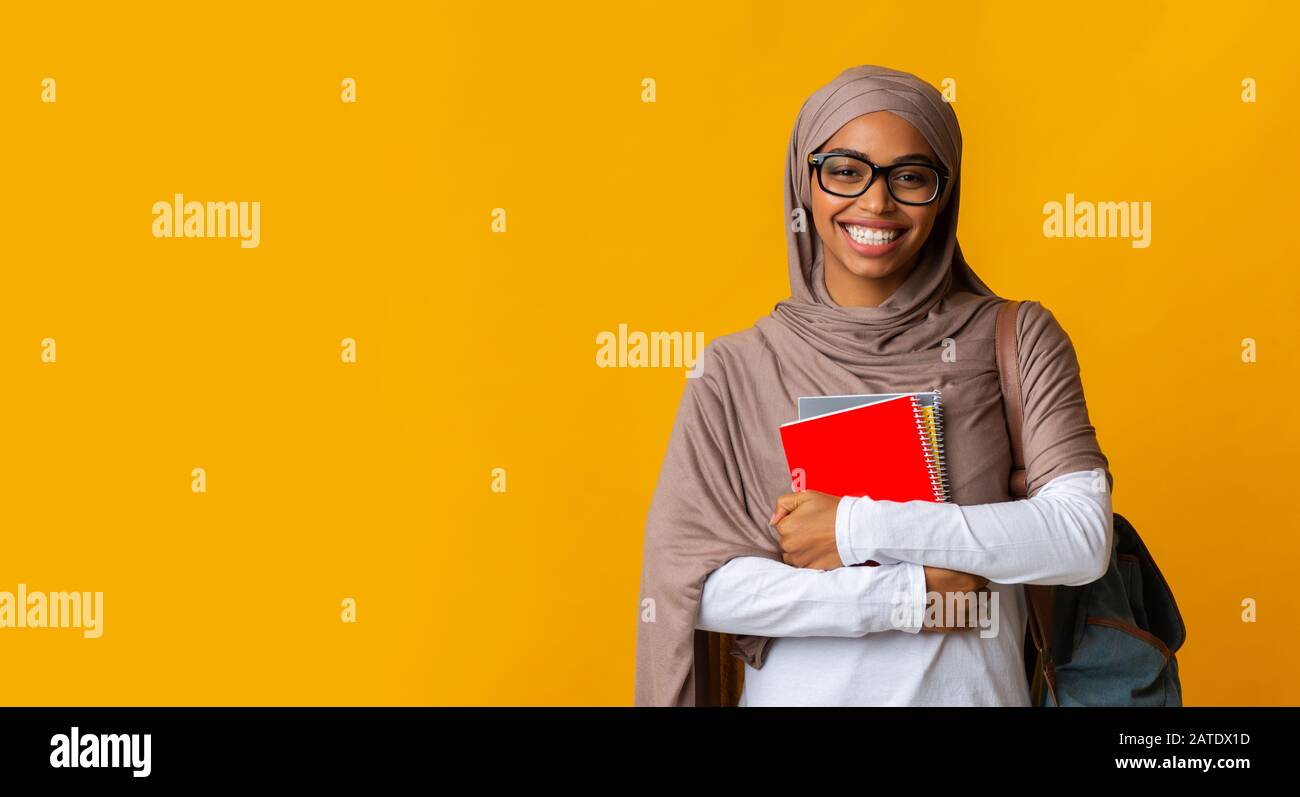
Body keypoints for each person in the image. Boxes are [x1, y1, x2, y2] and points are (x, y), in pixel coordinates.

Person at [634, 65, 1114, 707]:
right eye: (845, 170)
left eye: (910, 176)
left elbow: (1080, 539)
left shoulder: (1015, 338)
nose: (877, 203)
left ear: (945, 193)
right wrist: (907, 597)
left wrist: (857, 526)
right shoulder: (738, 366)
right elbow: (699, 586)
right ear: (806, 182)